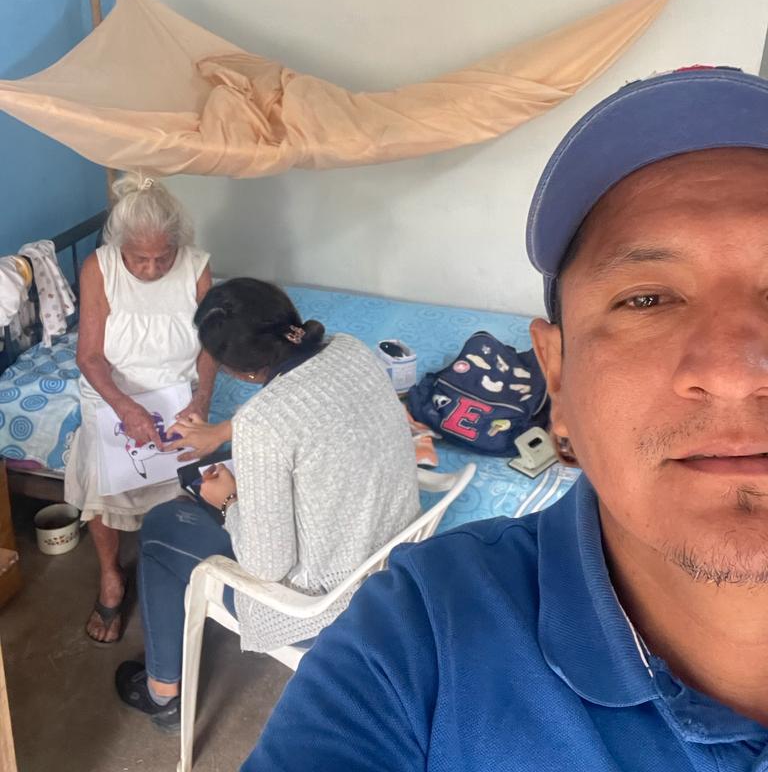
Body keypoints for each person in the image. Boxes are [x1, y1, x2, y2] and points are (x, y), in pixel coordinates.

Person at [242, 66, 768, 772]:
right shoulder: (420, 643)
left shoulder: (265, 423)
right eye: (646, 299)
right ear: (558, 379)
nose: (735, 371)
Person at [114, 277, 421, 729]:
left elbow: (267, 564)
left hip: (323, 605)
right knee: (201, 508)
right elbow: (304, 410)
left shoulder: (262, 422)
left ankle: (163, 694)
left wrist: (228, 499)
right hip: (393, 567)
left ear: (240, 372)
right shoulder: (351, 349)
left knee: (162, 525)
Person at [66, 173, 215, 644]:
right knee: (103, 477)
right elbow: (89, 356)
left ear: (177, 244)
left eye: (162, 258)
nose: (151, 269)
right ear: (121, 246)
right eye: (140, 259)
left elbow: (210, 346)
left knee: (182, 483)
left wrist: (200, 400)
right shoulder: (99, 267)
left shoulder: (196, 267)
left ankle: (169, 572)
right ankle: (111, 573)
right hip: (112, 393)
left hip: (177, 393)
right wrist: (125, 407)